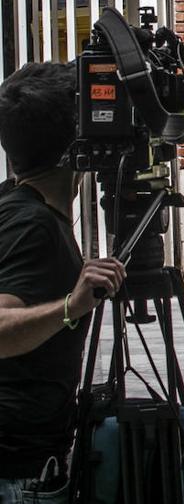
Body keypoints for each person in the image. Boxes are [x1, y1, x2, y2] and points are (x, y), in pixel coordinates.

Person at [0, 63, 127, 503]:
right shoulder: (32, 226)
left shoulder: (13, 202)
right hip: (19, 474)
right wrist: (70, 307)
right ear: (77, 144)